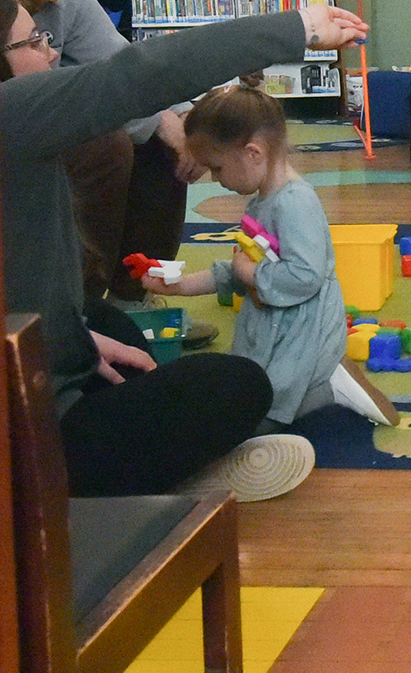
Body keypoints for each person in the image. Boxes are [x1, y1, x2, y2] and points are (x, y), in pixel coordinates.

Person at [0, 0, 368, 501]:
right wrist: (296, 28)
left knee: (112, 326)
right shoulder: (7, 112)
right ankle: (164, 467)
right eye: (33, 42)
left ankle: (155, 447)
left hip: (24, 365)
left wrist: (75, 340)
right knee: (240, 384)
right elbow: (141, 74)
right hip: (40, 435)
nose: (52, 52)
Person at [0, 0, 199, 303]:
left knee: (164, 144)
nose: (27, 3)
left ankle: (133, 293)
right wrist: (152, 119)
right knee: (110, 144)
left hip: (53, 108)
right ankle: (80, 298)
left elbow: (122, 60)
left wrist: (183, 119)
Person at [148, 84, 350, 428]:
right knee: (240, 392)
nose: (214, 178)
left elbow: (305, 276)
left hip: (300, 337)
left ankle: (325, 390)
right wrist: (181, 285)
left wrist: (253, 275)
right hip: (272, 324)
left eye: (218, 168)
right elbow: (241, 268)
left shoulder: (295, 203)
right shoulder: (262, 200)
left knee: (258, 415)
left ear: (253, 154)